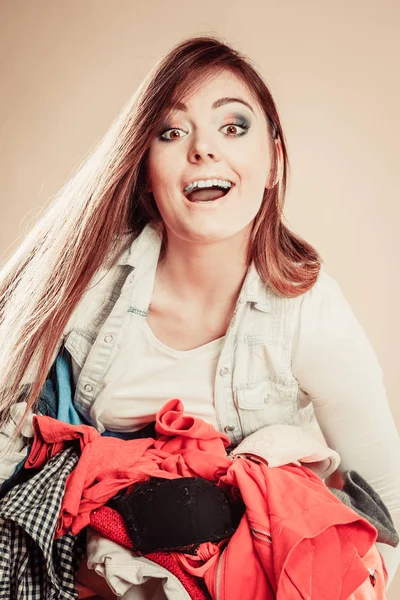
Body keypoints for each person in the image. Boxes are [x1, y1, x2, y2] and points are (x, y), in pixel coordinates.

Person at [1, 34, 400, 595]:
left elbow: (386, 504)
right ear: (145, 168)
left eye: (233, 127)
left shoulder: (311, 312)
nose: (203, 150)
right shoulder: (88, 279)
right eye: (172, 132)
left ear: (274, 163)